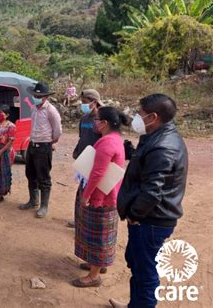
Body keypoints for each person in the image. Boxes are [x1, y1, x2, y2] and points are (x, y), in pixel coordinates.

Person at [109, 94, 188, 308]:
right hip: (148, 218)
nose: (136, 117)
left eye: (140, 113)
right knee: (137, 265)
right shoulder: (156, 136)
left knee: (145, 272)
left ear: (153, 117)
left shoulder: (163, 147)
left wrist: (134, 215)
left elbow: (153, 192)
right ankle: (134, 304)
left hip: (150, 220)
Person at [72, 106, 129, 288]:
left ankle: (94, 276)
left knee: (97, 236)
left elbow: (97, 172)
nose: (94, 122)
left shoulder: (107, 143)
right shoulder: (114, 139)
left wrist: (86, 195)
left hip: (100, 197)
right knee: (96, 234)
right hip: (105, 194)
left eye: (96, 119)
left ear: (104, 123)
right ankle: (97, 264)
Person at [19, 81, 62, 218]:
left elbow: (58, 130)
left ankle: (44, 206)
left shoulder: (51, 110)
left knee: (43, 177)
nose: (35, 97)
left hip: (44, 146)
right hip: (32, 144)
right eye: (35, 94)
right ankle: (33, 201)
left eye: (38, 95)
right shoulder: (34, 108)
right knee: (30, 174)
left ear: (45, 97)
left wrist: (51, 142)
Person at [68, 89, 104, 228]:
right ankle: (79, 219)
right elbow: (82, 137)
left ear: (94, 102)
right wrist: (77, 150)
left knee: (92, 192)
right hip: (83, 161)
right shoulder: (84, 119)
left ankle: (87, 222)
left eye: (84, 102)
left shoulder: (101, 121)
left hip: (96, 162)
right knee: (82, 191)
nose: (82, 105)